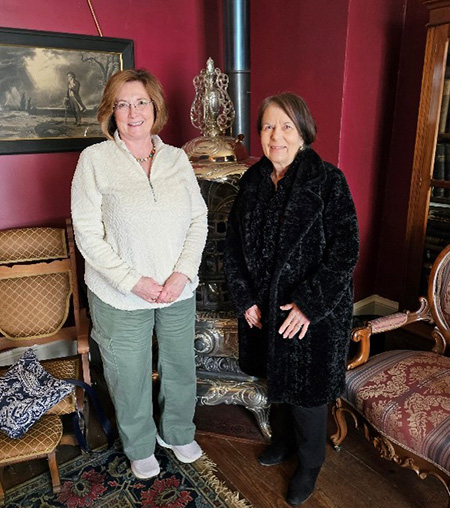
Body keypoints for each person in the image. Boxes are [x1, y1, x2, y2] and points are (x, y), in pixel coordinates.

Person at [71, 69, 208, 480]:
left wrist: (182, 274)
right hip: (119, 294)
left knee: (180, 364)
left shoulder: (177, 158)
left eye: (141, 102)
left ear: (155, 108)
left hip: (177, 289)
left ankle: (178, 431)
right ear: (111, 113)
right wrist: (133, 281)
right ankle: (140, 444)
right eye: (123, 104)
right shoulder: (94, 161)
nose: (133, 112)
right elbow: (88, 236)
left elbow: (198, 220)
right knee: (127, 371)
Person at [223, 93, 359, 506]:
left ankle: (310, 464)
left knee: (307, 394)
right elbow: (232, 246)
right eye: (267, 126)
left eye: (286, 126)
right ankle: (282, 442)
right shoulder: (252, 182)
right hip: (264, 308)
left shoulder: (328, 181)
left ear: (303, 132)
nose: (275, 136)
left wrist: (309, 305)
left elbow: (345, 249)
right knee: (275, 379)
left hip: (312, 315)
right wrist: (244, 297)